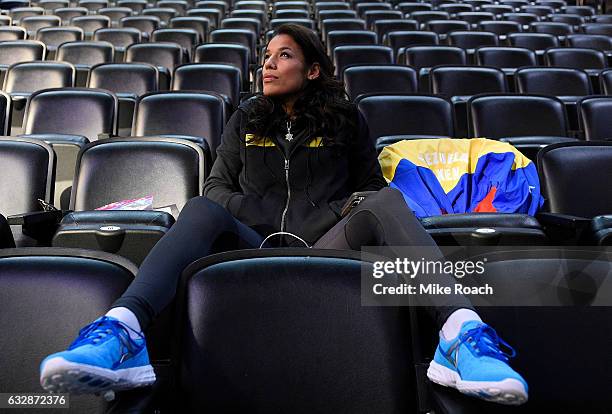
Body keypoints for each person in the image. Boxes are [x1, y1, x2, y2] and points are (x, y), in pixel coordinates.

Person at [39, 24, 528, 405]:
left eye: (284, 56)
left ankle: (463, 335)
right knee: (201, 208)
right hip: (251, 245)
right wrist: (263, 214)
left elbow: (371, 188)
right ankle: (121, 330)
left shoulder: (346, 119)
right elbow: (217, 190)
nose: (268, 65)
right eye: (266, 57)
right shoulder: (245, 119)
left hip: (332, 247)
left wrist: (335, 210)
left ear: (312, 69)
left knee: (385, 202)